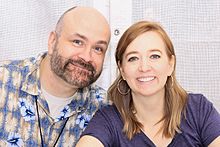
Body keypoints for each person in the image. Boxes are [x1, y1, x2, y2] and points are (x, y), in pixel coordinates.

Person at [76, 21, 220, 147]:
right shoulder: (108, 119)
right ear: (122, 70)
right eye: (133, 58)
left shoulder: (198, 109)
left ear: (171, 64)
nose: (144, 67)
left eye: (154, 56)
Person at [0, 6, 111, 146]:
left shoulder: (104, 108)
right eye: (77, 42)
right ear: (52, 41)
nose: (87, 57)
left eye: (98, 49)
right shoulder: (4, 80)